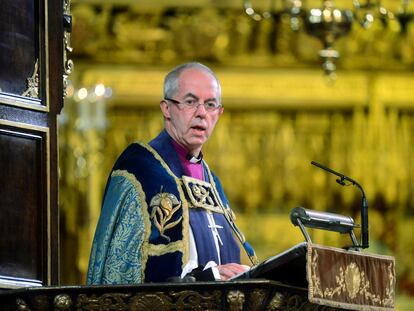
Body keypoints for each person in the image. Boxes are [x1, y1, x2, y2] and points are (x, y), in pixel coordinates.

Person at [87, 62, 257, 284]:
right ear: (167, 108)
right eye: (190, 102)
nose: (202, 113)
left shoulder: (211, 181)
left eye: (210, 104)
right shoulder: (140, 170)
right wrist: (209, 277)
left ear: (220, 112)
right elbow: (125, 270)